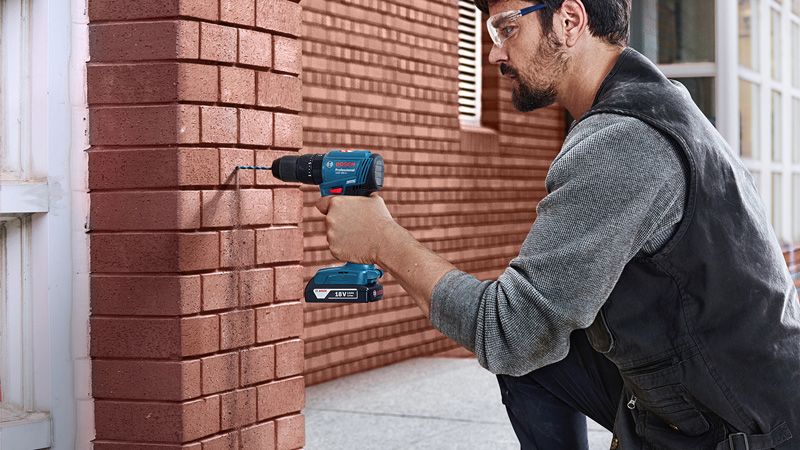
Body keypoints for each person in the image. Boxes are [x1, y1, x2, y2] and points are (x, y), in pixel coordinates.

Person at [315, 0, 800, 448]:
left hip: (744, 429)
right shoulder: (655, 102)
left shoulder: (623, 139)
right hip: (719, 389)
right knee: (539, 361)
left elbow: (510, 331)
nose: (493, 53)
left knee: (519, 341)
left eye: (507, 27)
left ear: (569, 21)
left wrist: (383, 240)